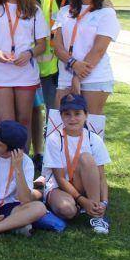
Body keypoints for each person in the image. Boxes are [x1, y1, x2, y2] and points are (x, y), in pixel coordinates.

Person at [50, 0, 120, 137]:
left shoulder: (106, 13)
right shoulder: (64, 11)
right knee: (58, 131)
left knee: (90, 134)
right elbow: (57, 47)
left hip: (94, 78)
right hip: (66, 78)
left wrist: (78, 77)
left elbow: (98, 49)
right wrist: (73, 64)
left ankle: (92, 158)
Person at [0, 0, 49, 146]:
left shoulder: (33, 9)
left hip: (25, 73)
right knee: (5, 123)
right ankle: (5, 160)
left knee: (24, 120)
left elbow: (42, 45)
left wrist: (29, 53)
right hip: (0, 73)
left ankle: (22, 160)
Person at [43, 94, 111, 234]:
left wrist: (104, 202)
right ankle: (81, 205)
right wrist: (82, 200)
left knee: (86, 158)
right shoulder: (54, 139)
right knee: (67, 210)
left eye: (77, 113)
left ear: (86, 115)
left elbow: (102, 177)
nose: (72, 118)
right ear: (61, 117)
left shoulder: (94, 139)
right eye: (67, 114)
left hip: (82, 184)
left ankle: (97, 215)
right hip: (59, 187)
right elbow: (60, 179)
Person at [35, 0, 72, 166]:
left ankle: (72, 160)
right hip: (49, 66)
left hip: (71, 63)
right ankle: (52, 164)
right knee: (53, 115)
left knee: (73, 113)